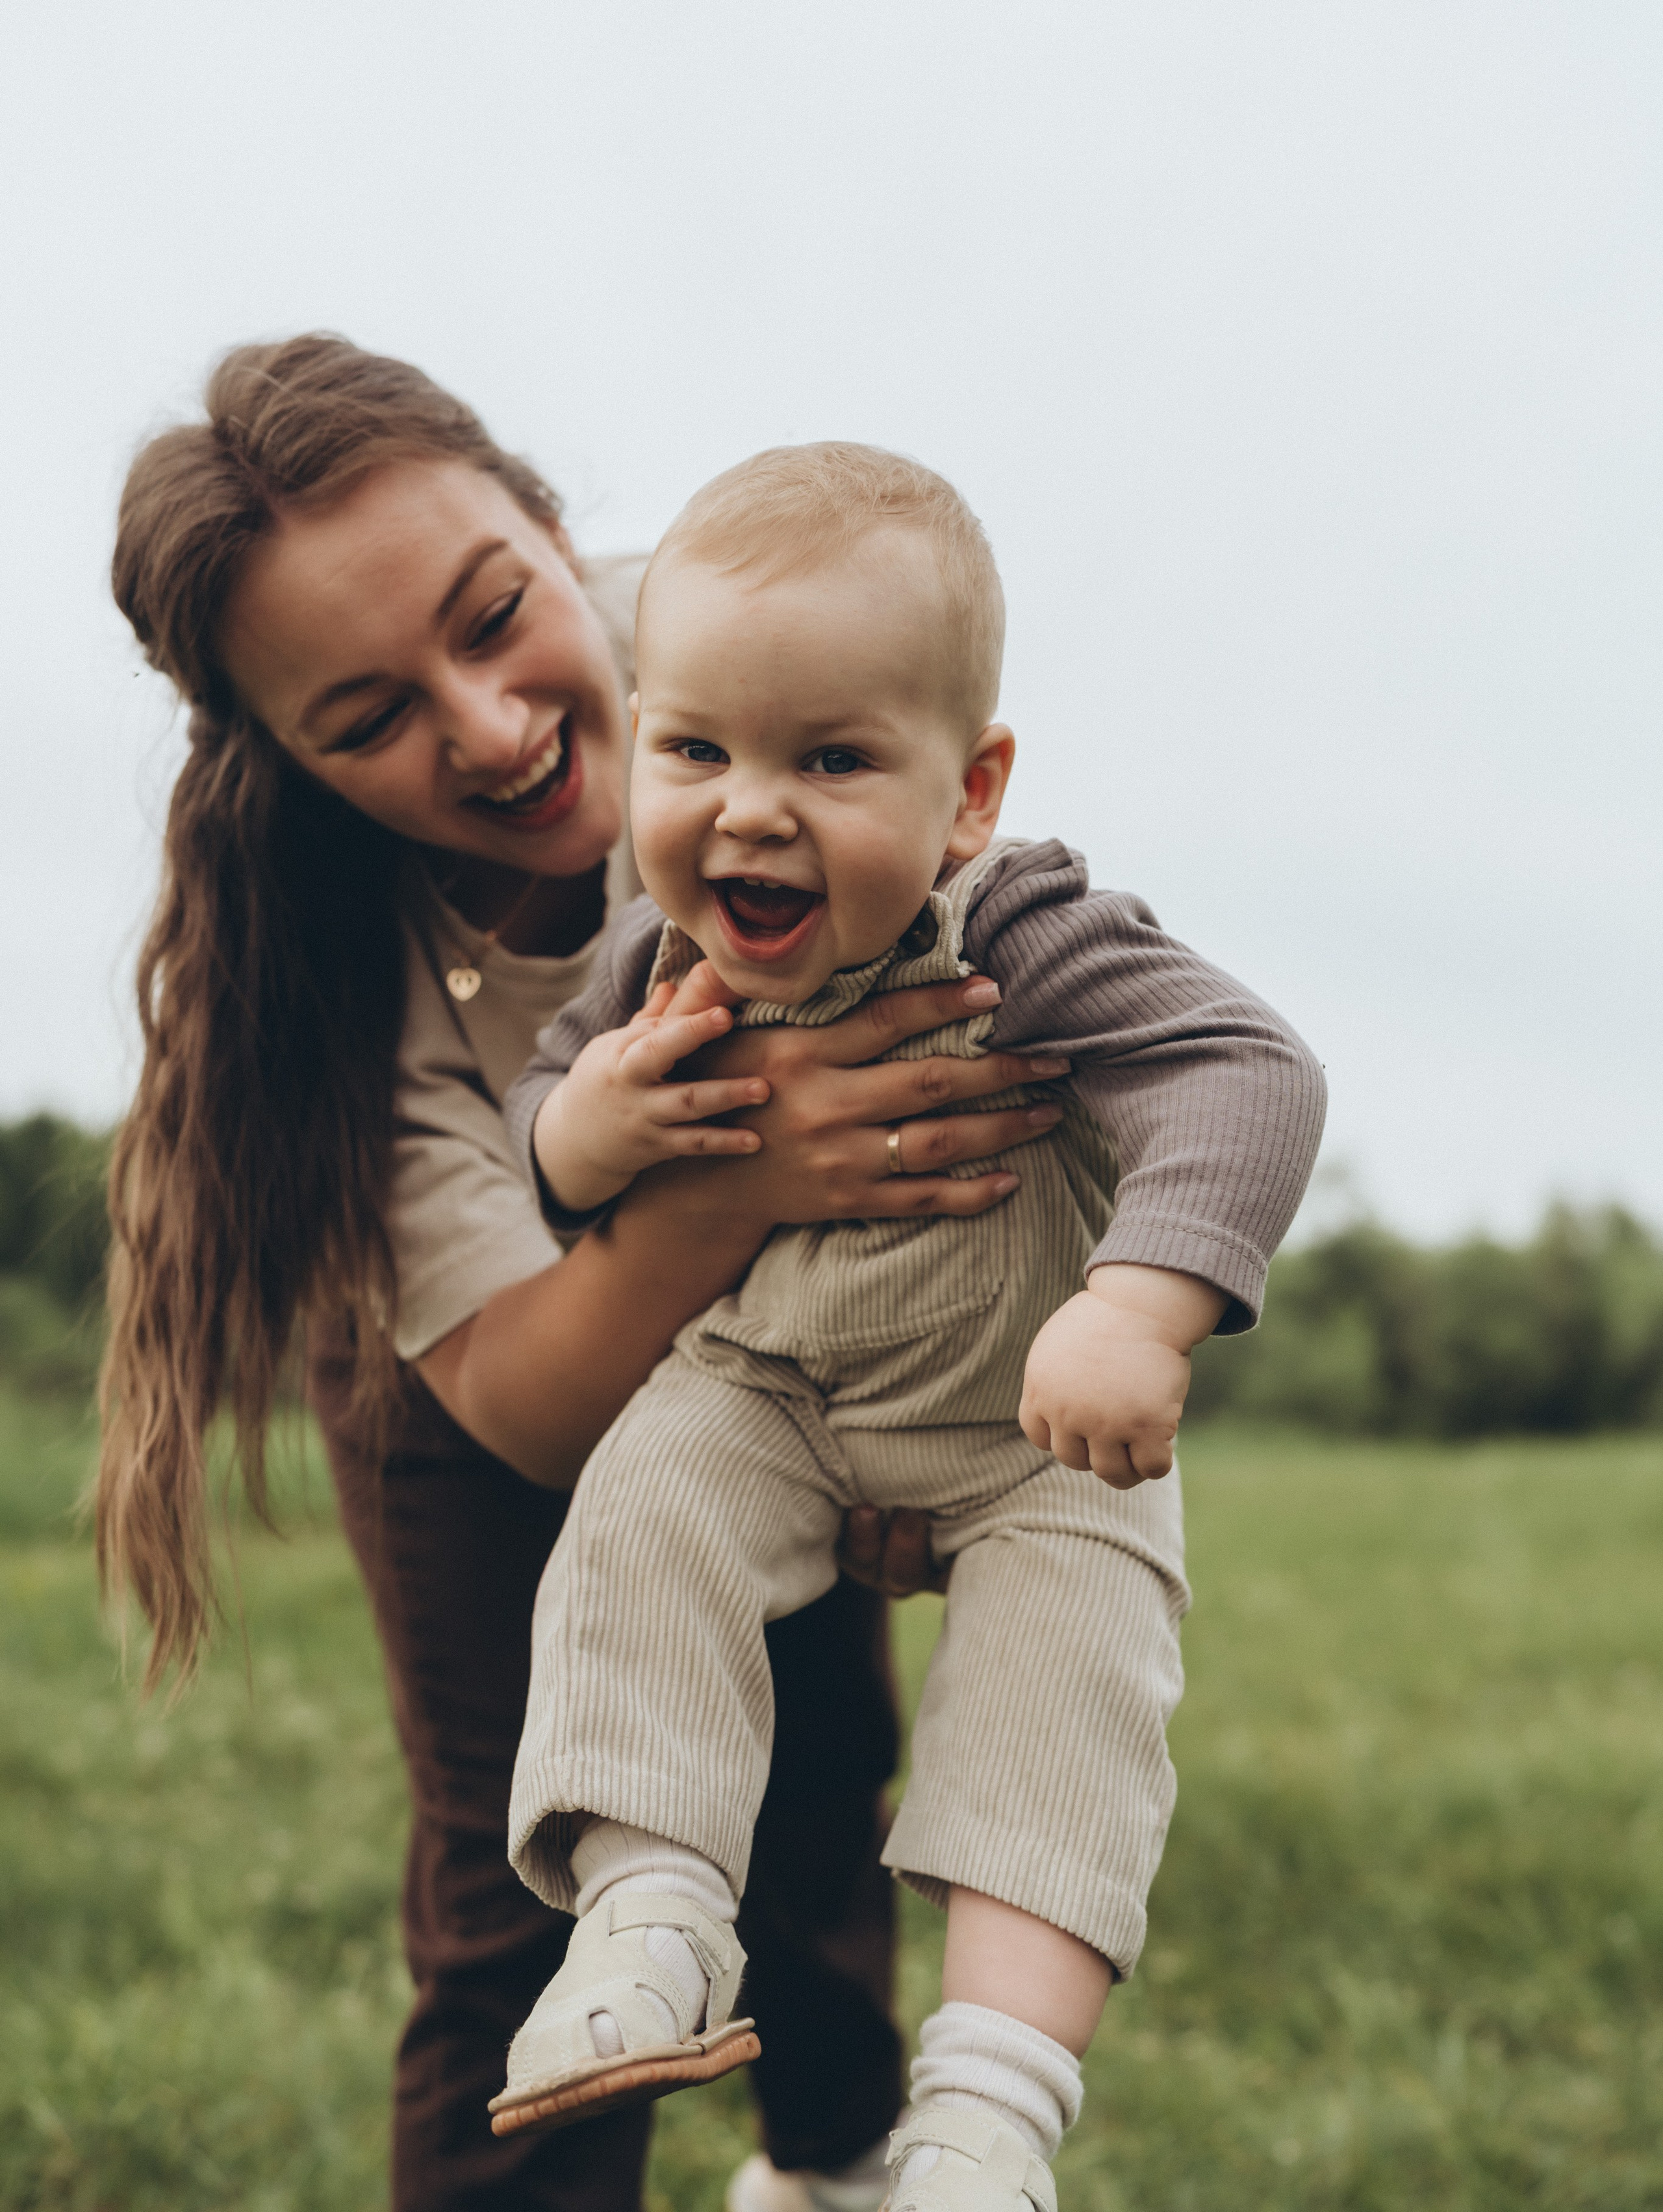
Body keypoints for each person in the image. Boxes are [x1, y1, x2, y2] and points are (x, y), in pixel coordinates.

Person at [94, 341, 1074, 2212]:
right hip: (472, 1374)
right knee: (528, 1860)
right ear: (287, 756)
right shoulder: (325, 970)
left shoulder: (756, 645)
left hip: (798, 1333)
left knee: (802, 1781)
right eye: (366, 716)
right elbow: (528, 1402)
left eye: (494, 615)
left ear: (555, 530)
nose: (482, 729)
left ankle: (835, 2168)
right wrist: (748, 1171)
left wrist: (919, 1435)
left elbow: (983, 1033)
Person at [490, 444, 1327, 2212]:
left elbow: (1246, 1074)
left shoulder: (1024, 926)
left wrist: (1138, 1304)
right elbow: (548, 1143)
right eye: (697, 747)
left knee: (1065, 1688)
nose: (748, 810)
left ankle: (986, 2120)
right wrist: (601, 1128)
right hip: (771, 1400)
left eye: (834, 758)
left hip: (1035, 1432)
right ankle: (649, 1922)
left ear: (969, 790)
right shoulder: (651, 967)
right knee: (641, 1517)